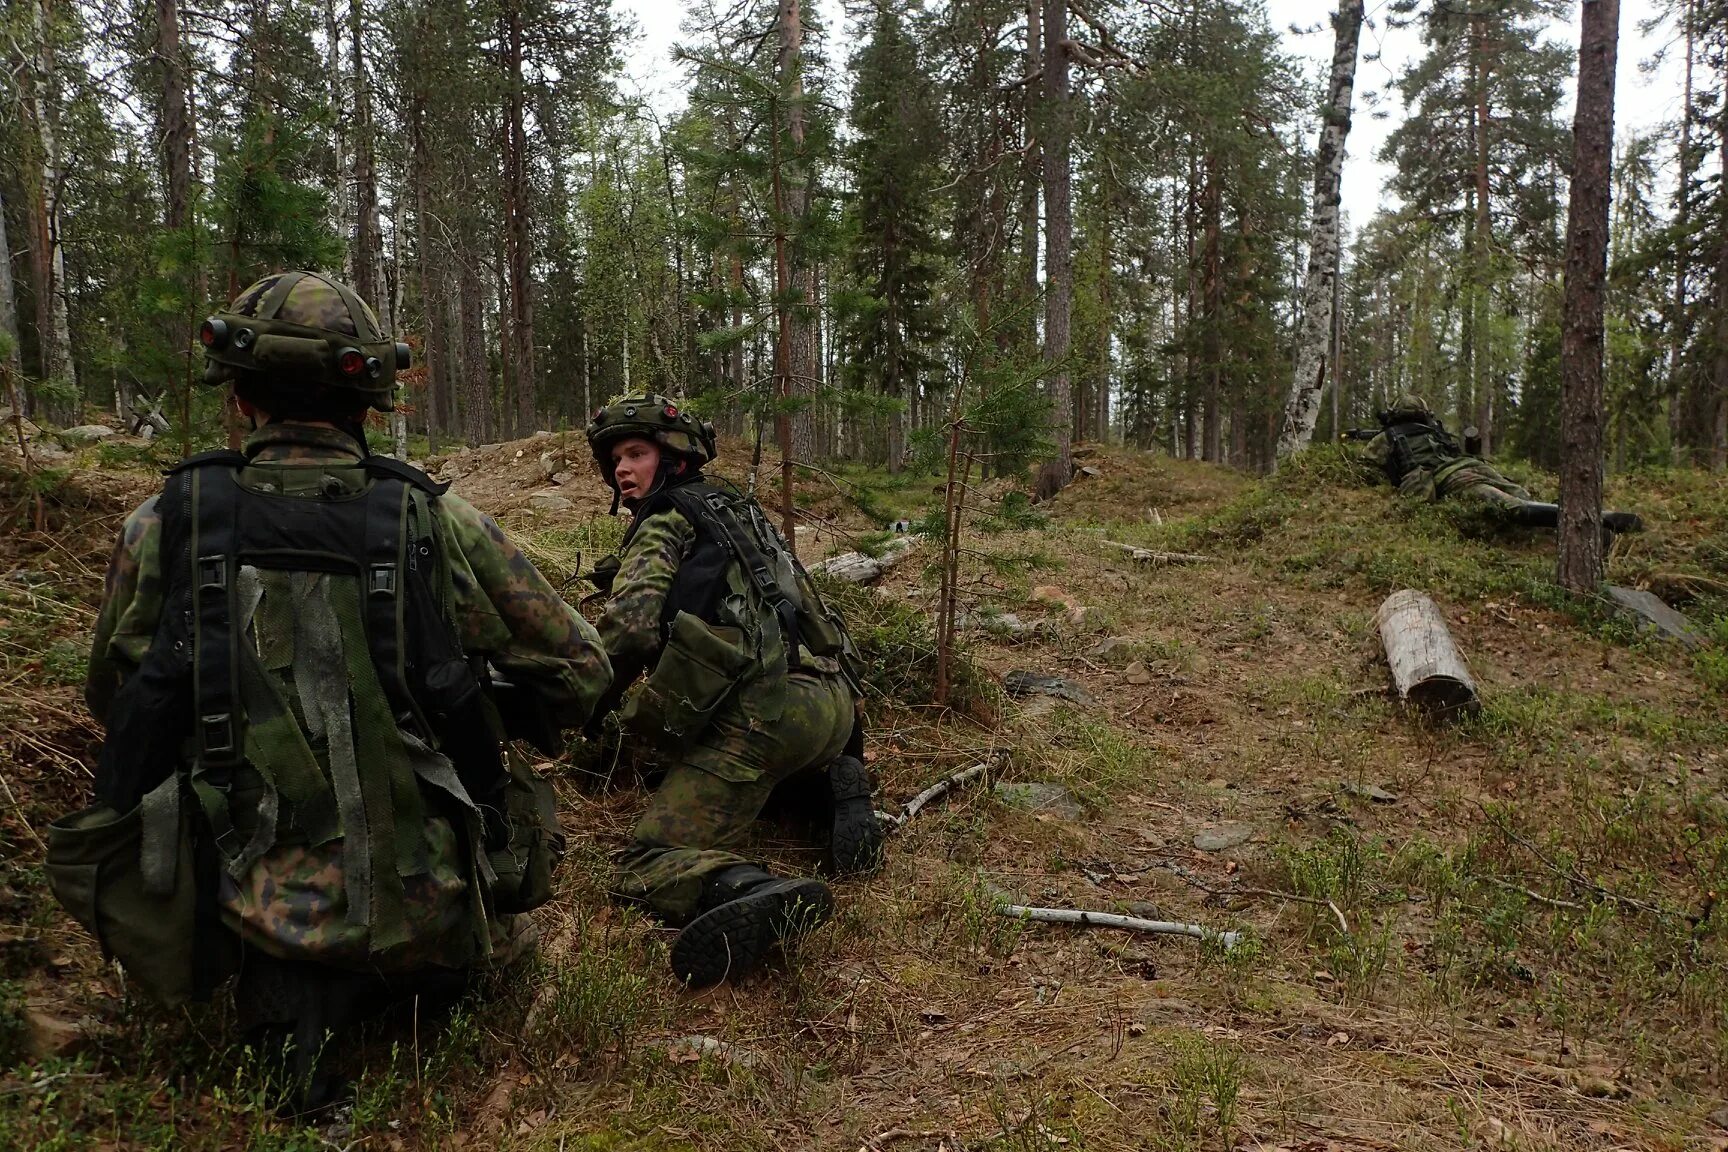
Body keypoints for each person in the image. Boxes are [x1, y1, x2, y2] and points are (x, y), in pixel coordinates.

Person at [53, 271, 611, 1109]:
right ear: (372, 398)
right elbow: (585, 668)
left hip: (244, 899)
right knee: (490, 932)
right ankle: (411, 970)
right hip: (429, 895)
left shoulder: (167, 521)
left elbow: (114, 695)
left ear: (240, 399)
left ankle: (287, 999)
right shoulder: (435, 521)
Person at [584, 394, 882, 987]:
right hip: (834, 705)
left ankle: (755, 889)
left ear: (672, 458)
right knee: (734, 773)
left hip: (767, 718)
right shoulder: (737, 510)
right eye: (616, 458)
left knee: (646, 856)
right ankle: (827, 793)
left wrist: (584, 700)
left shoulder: (667, 520)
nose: (622, 469)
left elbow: (630, 630)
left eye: (637, 454)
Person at [1355, 394, 1642, 534]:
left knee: (1516, 510)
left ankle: (1598, 519)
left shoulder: (1387, 437)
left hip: (1457, 479)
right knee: (1523, 499)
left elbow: (1366, 467)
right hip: (1477, 467)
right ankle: (1595, 522)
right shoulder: (1436, 431)